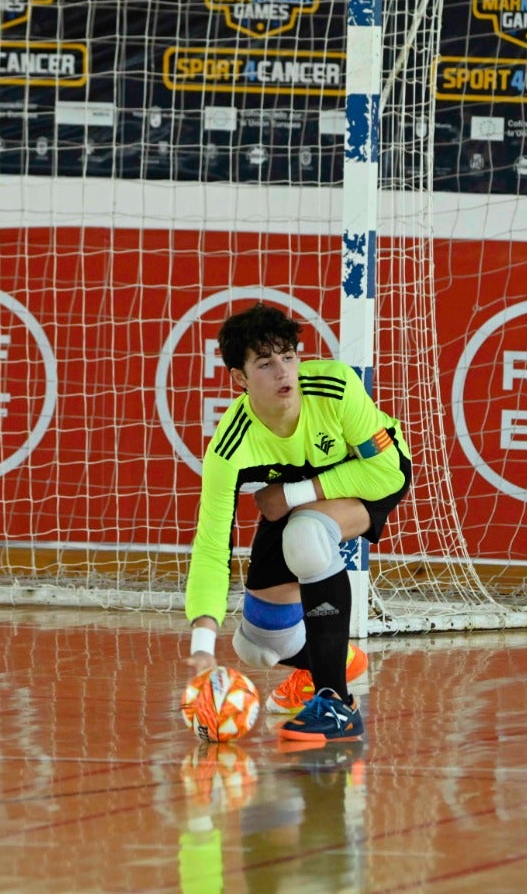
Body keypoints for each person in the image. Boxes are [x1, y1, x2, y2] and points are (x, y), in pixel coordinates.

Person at [183, 303, 412, 743]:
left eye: (288, 357)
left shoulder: (335, 387)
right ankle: (334, 661)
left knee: (306, 534)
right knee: (258, 643)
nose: (283, 372)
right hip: (299, 497)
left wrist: (291, 495)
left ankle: (336, 703)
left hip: (367, 477)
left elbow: (387, 472)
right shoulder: (230, 449)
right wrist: (201, 649)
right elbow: (211, 548)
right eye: (265, 363)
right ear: (240, 378)